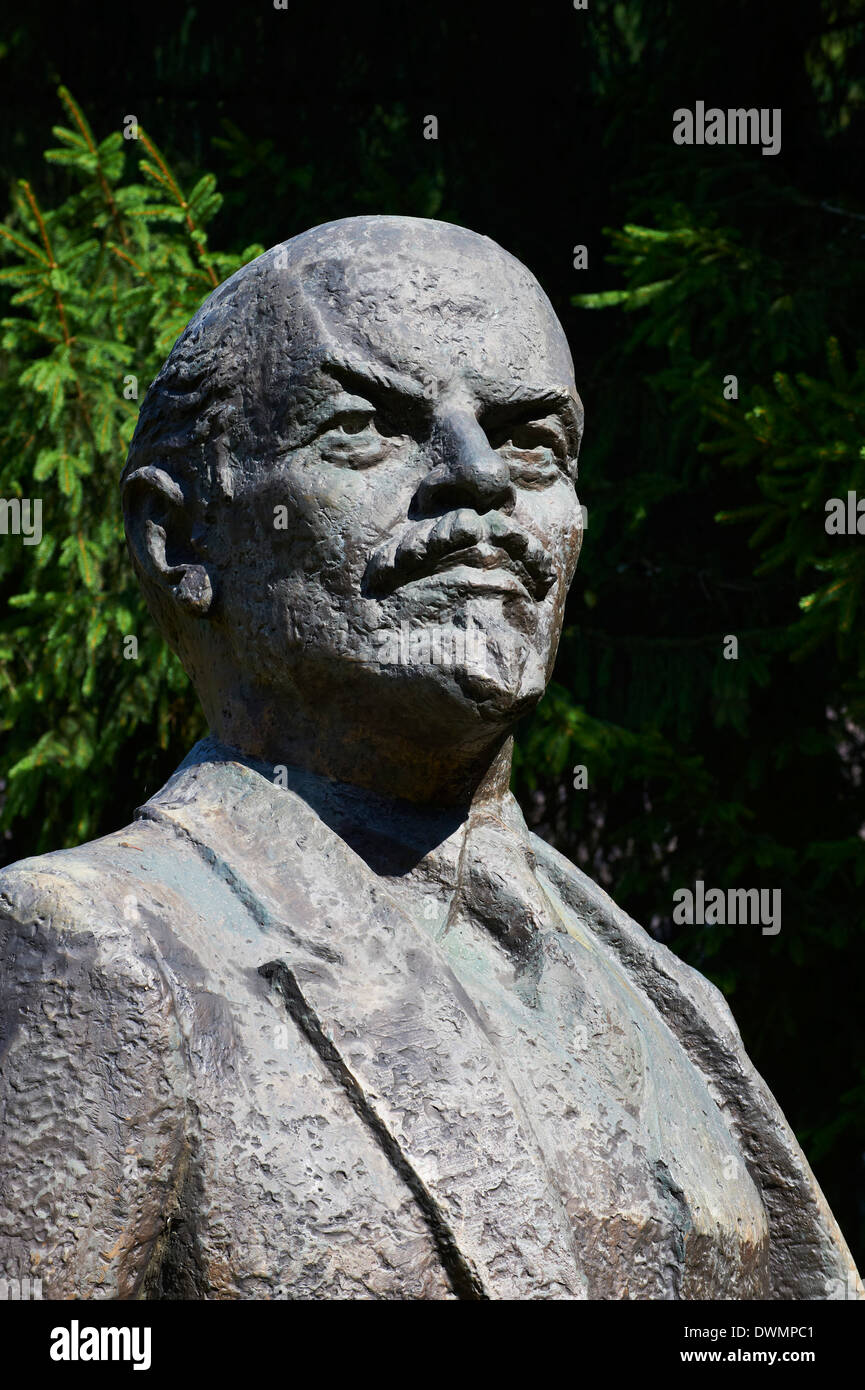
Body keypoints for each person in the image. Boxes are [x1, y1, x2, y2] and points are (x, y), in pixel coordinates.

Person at [0, 217, 859, 1300]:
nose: (479, 480)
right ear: (180, 540)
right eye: (366, 427)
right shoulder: (96, 951)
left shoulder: (676, 1005)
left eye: (530, 440)